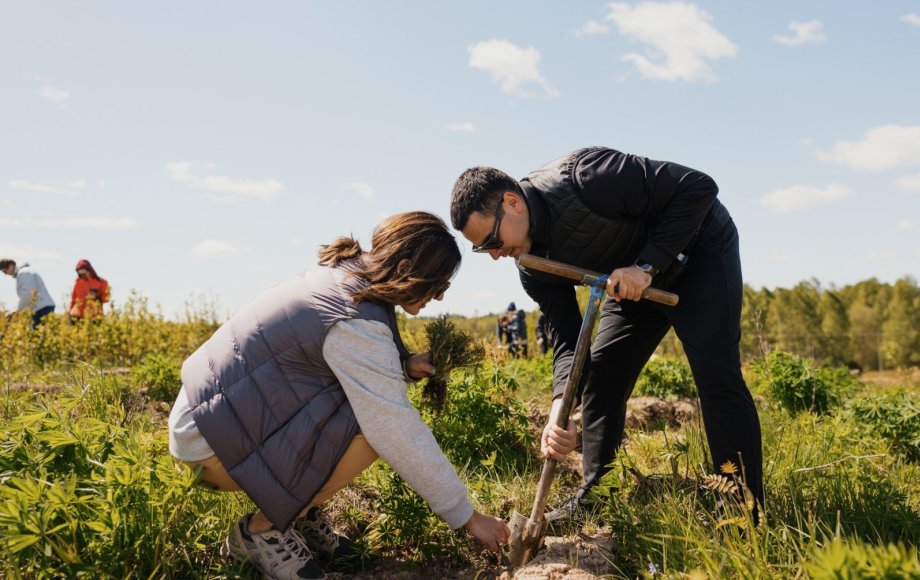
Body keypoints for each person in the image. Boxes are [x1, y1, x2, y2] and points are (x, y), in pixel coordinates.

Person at [168, 212, 510, 580]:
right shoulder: (354, 320)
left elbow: (321, 365)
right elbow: (396, 429)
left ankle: (300, 512)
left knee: (365, 410)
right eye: (438, 283)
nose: (440, 296)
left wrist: (405, 365)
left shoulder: (347, 275)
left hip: (207, 418)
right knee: (373, 431)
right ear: (408, 267)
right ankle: (262, 532)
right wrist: (469, 517)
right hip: (206, 443)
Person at [450, 147, 763, 522]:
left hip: (697, 253)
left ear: (512, 202)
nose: (494, 255)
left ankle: (744, 509)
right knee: (602, 377)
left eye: (491, 241)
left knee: (717, 379)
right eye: (482, 249)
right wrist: (559, 410)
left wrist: (647, 265)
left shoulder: (587, 177)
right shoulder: (533, 267)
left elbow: (698, 187)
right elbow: (568, 341)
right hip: (626, 285)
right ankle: (598, 496)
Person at [0, 258, 56, 328]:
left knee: (39, 336)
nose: (5, 273)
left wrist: (15, 311)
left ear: (11, 265)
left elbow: (27, 294)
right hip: (40, 308)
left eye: (4, 270)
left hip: (41, 309)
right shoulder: (23, 273)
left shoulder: (24, 273)